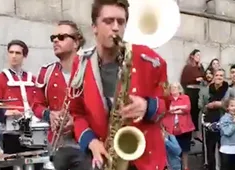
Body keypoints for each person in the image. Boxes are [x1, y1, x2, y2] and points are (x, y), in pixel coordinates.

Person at [69, 0, 169, 170]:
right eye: (108, 21)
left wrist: (148, 106)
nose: (115, 28)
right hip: (106, 157)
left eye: (121, 22)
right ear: (94, 27)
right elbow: (77, 113)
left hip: (147, 159)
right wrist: (91, 142)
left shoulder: (151, 60)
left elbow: (167, 103)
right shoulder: (81, 63)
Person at [32, 20, 86, 170]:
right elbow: (36, 104)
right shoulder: (46, 72)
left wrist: (76, 121)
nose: (55, 40)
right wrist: (49, 114)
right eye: (53, 37)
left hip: (85, 144)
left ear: (76, 43)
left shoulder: (90, 71)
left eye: (62, 37)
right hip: (56, 146)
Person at [0, 40, 41, 170]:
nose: (14, 56)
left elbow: (39, 103)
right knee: (11, 166)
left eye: (18, 53)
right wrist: (5, 112)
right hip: (11, 131)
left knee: (36, 165)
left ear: (24, 56)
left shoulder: (32, 79)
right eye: (11, 52)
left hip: (33, 131)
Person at [198, 68, 235, 170]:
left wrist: (221, 104)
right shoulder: (205, 90)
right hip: (209, 123)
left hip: (224, 122)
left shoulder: (230, 90)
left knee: (222, 149)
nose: (219, 77)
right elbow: (200, 105)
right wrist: (209, 106)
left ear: (224, 78)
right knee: (209, 149)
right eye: (217, 75)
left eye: (221, 76)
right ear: (213, 77)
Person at [163, 82, 194, 170]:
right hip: (171, 128)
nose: (174, 89)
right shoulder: (167, 99)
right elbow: (166, 110)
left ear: (180, 89)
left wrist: (174, 109)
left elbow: (187, 108)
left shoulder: (185, 97)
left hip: (185, 128)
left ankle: (185, 167)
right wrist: (180, 109)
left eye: (176, 87)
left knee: (185, 149)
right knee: (173, 149)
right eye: (172, 88)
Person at [180, 49, 204, 142]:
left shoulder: (200, 67)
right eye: (197, 55)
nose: (199, 57)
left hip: (199, 90)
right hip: (190, 91)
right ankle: (190, 134)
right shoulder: (188, 67)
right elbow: (184, 80)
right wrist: (195, 79)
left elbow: (204, 76)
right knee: (191, 112)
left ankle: (197, 132)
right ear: (192, 56)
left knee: (197, 112)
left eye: (200, 55)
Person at [219, 98, 235, 170]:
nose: (234, 108)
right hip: (227, 148)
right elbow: (227, 132)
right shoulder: (224, 118)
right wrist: (234, 123)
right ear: (227, 107)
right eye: (232, 106)